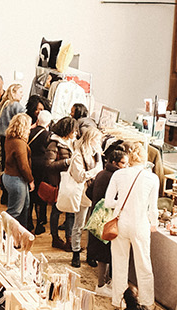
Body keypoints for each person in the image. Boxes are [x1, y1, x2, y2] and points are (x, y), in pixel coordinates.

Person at [105, 141, 159, 308]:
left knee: (119, 263)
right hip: (140, 223)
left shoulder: (119, 175)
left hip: (120, 223)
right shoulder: (152, 178)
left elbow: (107, 202)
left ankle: (119, 301)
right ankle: (147, 301)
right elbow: (153, 207)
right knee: (143, 264)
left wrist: (120, 204)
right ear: (145, 160)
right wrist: (154, 223)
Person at [86, 140, 128, 294]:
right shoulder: (116, 178)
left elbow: (88, 192)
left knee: (100, 250)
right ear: (115, 163)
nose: (126, 166)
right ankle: (102, 285)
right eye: (123, 163)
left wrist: (97, 204)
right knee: (105, 253)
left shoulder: (101, 173)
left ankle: (104, 282)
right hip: (107, 219)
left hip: (97, 217)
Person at [67, 118, 103, 269]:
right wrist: (95, 171)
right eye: (97, 141)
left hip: (93, 192)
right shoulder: (78, 155)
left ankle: (90, 254)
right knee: (79, 224)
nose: (99, 144)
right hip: (82, 193)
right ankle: (75, 252)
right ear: (91, 140)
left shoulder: (96, 154)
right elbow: (79, 176)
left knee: (93, 225)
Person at [42, 115, 76, 250]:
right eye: (73, 131)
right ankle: (55, 238)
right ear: (66, 131)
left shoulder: (71, 143)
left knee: (71, 212)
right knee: (57, 211)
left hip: (69, 183)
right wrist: (67, 162)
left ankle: (69, 240)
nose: (75, 133)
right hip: (59, 183)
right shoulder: (54, 143)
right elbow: (49, 165)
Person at [1, 113, 33, 226]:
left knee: (24, 206)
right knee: (14, 211)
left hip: (8, 176)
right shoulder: (19, 144)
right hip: (17, 179)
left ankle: (19, 235)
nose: (30, 127)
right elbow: (23, 166)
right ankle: (2, 233)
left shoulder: (10, 138)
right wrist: (31, 180)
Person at [27, 108, 52, 234]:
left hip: (30, 164)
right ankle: (41, 221)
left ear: (37, 120)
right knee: (41, 192)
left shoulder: (30, 132)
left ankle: (28, 221)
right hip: (42, 167)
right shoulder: (48, 136)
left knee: (30, 193)